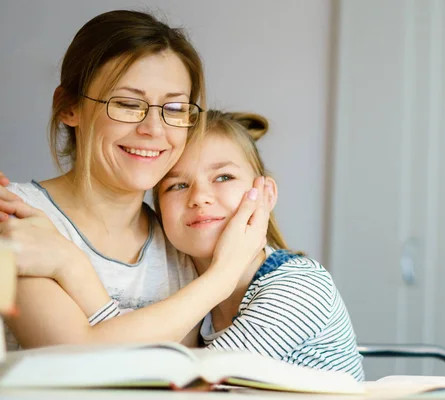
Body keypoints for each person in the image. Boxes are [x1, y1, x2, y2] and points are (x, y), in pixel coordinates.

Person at [0, 10, 270, 350]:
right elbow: (70, 362)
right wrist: (221, 278)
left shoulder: (185, 236)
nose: (153, 130)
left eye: (174, 109)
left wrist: (70, 265)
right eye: (128, 104)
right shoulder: (17, 217)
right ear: (69, 107)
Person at [154, 110, 365, 381]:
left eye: (223, 177)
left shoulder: (300, 286)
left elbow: (198, 383)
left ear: (266, 193)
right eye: (177, 185)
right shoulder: (184, 291)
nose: (199, 197)